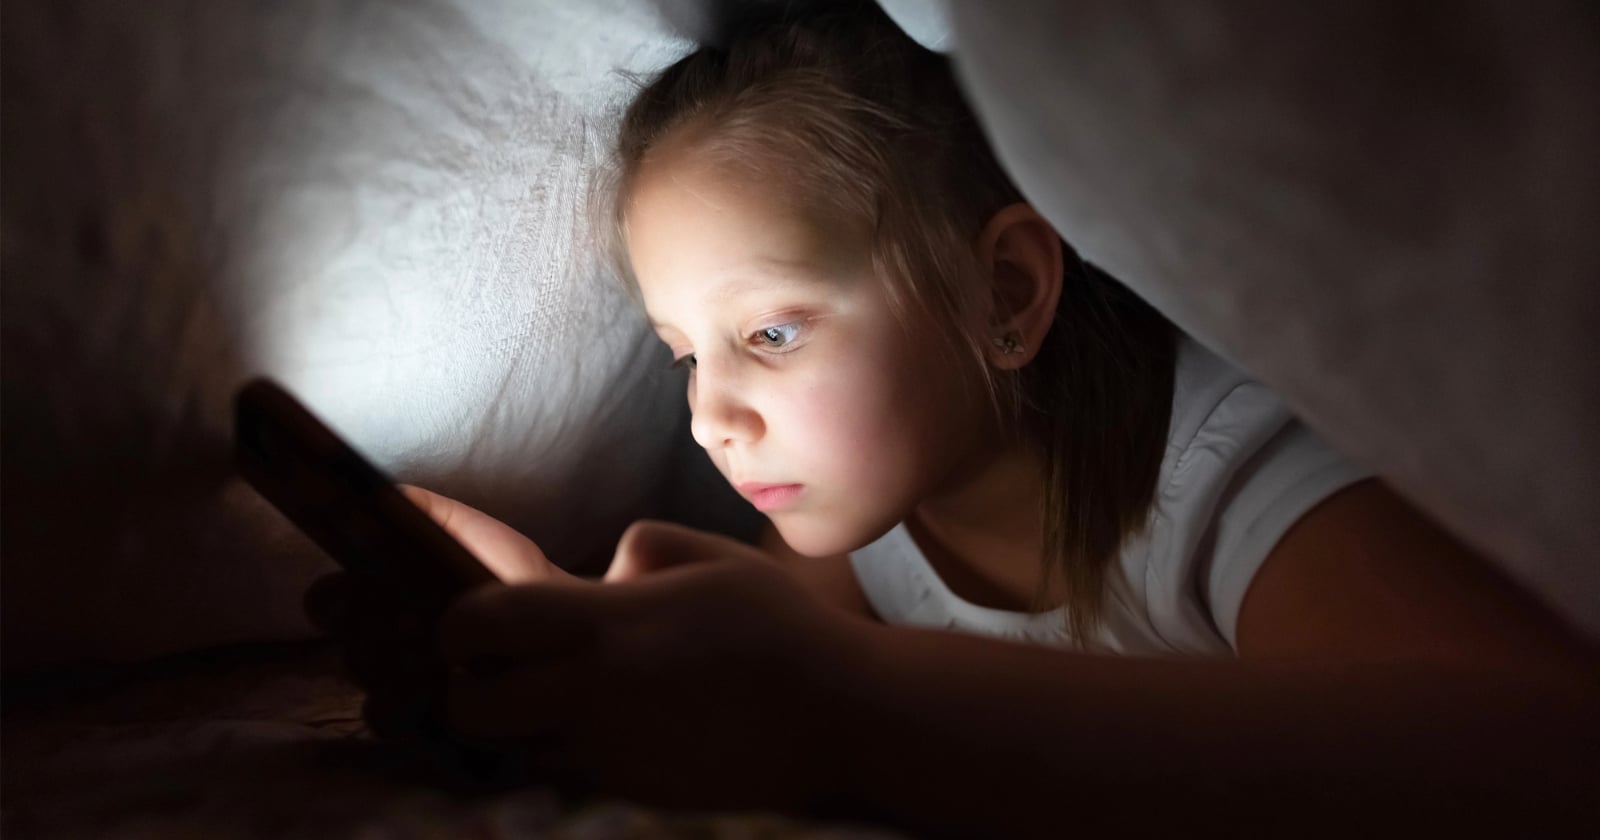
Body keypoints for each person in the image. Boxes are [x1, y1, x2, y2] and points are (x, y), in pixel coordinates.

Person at [306, 3, 1598, 835]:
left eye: (770, 333)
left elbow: (1537, 744)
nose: (711, 418)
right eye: (683, 354)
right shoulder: (859, 531)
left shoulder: (1220, 474)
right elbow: (738, 686)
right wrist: (565, 644)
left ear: (1008, 293)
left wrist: (846, 704)